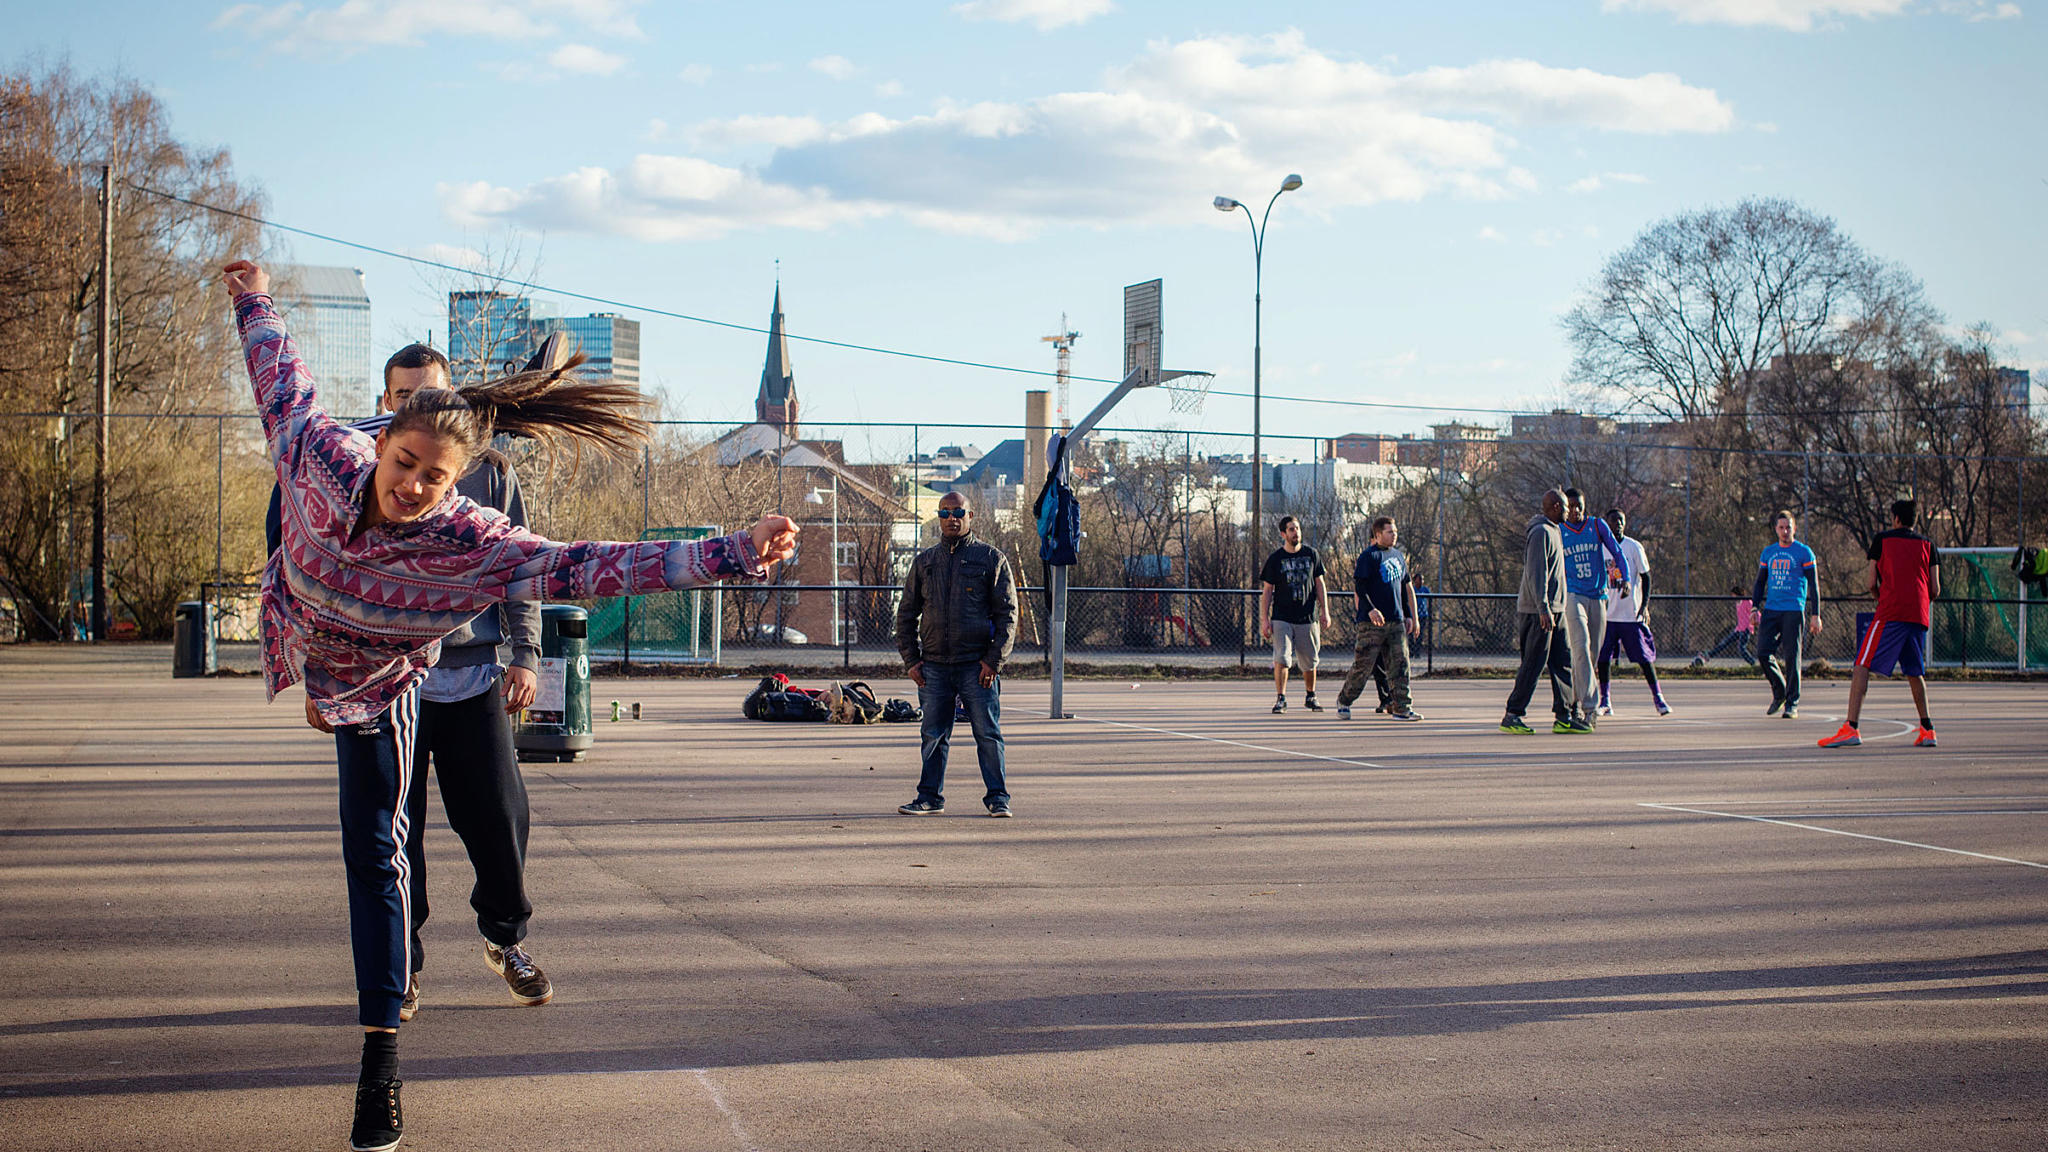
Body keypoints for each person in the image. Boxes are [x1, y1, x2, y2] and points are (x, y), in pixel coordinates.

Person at [223, 260, 798, 1152]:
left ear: (461, 484)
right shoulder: (315, 452)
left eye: (434, 479)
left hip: (390, 679)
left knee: (378, 845)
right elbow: (276, 367)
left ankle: (380, 1068)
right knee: (382, 841)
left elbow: (598, 565)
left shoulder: (474, 541)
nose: (412, 487)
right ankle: (405, 978)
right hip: (321, 650)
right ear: (381, 443)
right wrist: (253, 291)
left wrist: (731, 553)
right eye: (405, 463)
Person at [894, 491, 1020, 817]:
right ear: (938, 517)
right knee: (933, 735)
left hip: (976, 667)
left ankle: (998, 798)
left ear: (971, 516)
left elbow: (1007, 615)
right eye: (945, 512)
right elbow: (906, 614)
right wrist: (911, 661)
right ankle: (929, 798)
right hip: (933, 666)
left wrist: (994, 661)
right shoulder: (925, 562)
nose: (952, 518)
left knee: (988, 734)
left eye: (958, 512)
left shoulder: (991, 560)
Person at [1821, 500, 1942, 749]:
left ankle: (1851, 727)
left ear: (1896, 518)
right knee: (1914, 672)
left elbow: (1870, 582)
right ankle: (1927, 729)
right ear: (1915, 520)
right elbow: (1936, 588)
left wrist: (1881, 597)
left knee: (1861, 665)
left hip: (1891, 612)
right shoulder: (1929, 545)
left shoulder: (1883, 540)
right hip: (1918, 615)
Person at [1502, 489, 1582, 734]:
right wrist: (1543, 608)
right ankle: (1513, 714)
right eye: (1567, 507)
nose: (1570, 512)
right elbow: (1537, 574)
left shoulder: (1555, 530)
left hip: (1555, 609)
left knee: (1563, 661)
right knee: (1533, 663)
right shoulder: (1540, 533)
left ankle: (1564, 715)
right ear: (1556, 507)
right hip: (1539, 612)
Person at [1336, 516, 1422, 721]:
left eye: (1395, 532)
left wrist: (1410, 616)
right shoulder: (1369, 556)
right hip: (1372, 624)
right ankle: (1344, 700)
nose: (1394, 535)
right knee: (1363, 666)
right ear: (1377, 534)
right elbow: (1360, 586)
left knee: (1400, 664)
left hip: (1396, 621)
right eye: (1389, 532)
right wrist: (1371, 609)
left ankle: (1402, 707)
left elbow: (1404, 588)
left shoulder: (1399, 556)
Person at [1558, 488, 1631, 728]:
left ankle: (1577, 699)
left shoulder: (1597, 526)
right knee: (1580, 647)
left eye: (1579, 505)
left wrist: (1626, 578)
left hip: (1598, 596)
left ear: (1584, 506)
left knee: (1591, 655)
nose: (1576, 511)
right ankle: (1589, 710)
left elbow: (1617, 551)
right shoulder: (1559, 531)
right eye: (1571, 506)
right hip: (1573, 595)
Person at [1596, 508, 1670, 716]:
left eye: (1620, 521)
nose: (1617, 524)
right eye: (1613, 521)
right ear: (1606, 524)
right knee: (1603, 659)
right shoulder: (1600, 548)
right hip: (1608, 614)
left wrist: (1644, 605)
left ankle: (1658, 698)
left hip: (1630, 615)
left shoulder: (1634, 547)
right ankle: (1605, 700)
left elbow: (1646, 577)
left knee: (1644, 658)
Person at [1752, 509, 1824, 719]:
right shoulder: (1768, 552)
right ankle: (1780, 691)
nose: (1785, 531)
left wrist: (1815, 614)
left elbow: (1814, 585)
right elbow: (1759, 583)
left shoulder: (1804, 552)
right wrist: (1755, 608)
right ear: (1776, 529)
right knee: (1763, 652)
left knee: (1792, 657)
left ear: (1794, 528)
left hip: (1793, 610)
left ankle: (1792, 703)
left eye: (1788, 527)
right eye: (1781, 528)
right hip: (1772, 610)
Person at [1258, 515, 1332, 713]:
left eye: (1297, 528)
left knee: (1309, 660)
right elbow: (1267, 591)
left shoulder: (1312, 554)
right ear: (1283, 534)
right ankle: (1281, 698)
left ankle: (1311, 695)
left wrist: (1325, 611)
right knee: (1281, 658)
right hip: (1282, 616)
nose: (1295, 532)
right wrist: (1264, 620)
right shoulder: (1275, 559)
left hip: (1307, 616)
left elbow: (1319, 583)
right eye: (1291, 529)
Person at [1694, 585, 1757, 666]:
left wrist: (1757, 621)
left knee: (1741, 648)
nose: (1732, 597)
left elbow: (1755, 613)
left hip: (1746, 629)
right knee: (1724, 643)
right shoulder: (1737, 603)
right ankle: (1709, 655)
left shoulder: (1747, 602)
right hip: (1738, 629)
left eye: (1733, 595)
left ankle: (1753, 663)